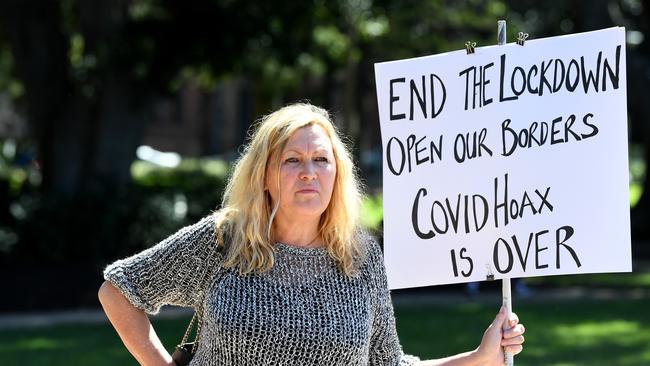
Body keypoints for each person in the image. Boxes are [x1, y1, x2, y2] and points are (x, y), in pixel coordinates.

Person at [98, 103, 525, 366]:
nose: (308, 173)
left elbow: (387, 365)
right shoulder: (226, 239)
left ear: (337, 174)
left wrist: (480, 358)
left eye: (322, 160)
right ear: (264, 174)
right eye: (292, 160)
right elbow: (119, 291)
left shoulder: (361, 258)